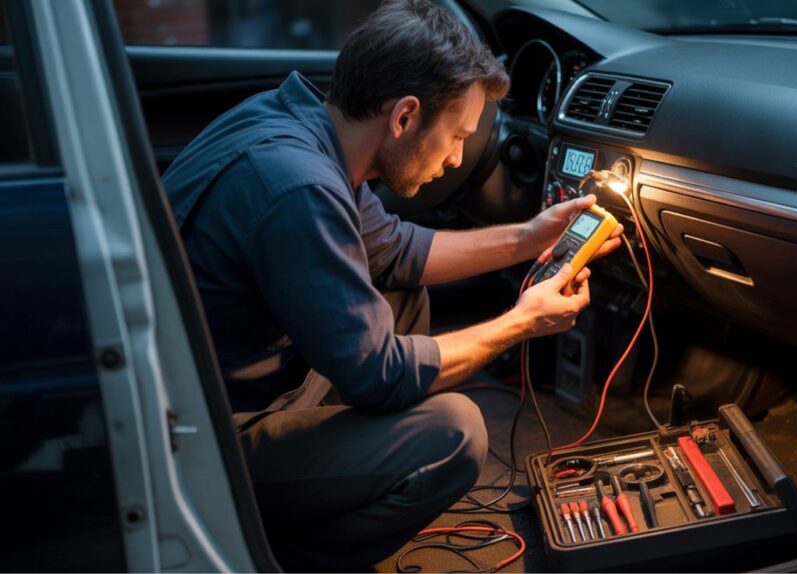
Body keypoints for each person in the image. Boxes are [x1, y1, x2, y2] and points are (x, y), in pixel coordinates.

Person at [162, 0, 622, 570]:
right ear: (404, 117)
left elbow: (399, 251)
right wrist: (521, 323)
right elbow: (381, 375)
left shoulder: (298, 127)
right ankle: (272, 558)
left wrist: (528, 237)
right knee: (455, 434)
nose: (457, 160)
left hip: (221, 388)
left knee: (402, 294)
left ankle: (331, 480)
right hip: (203, 443)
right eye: (456, 136)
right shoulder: (298, 189)